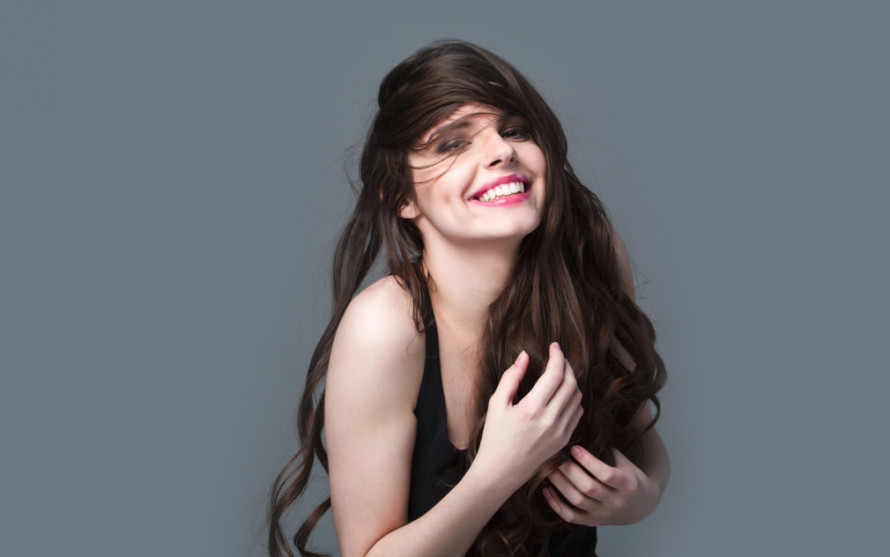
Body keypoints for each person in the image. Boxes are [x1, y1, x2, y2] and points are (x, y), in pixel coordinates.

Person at [267, 39, 669, 557]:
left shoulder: (595, 260)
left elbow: (640, 438)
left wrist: (644, 495)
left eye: (515, 130)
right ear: (402, 197)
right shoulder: (384, 329)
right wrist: (495, 474)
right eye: (452, 143)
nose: (501, 151)